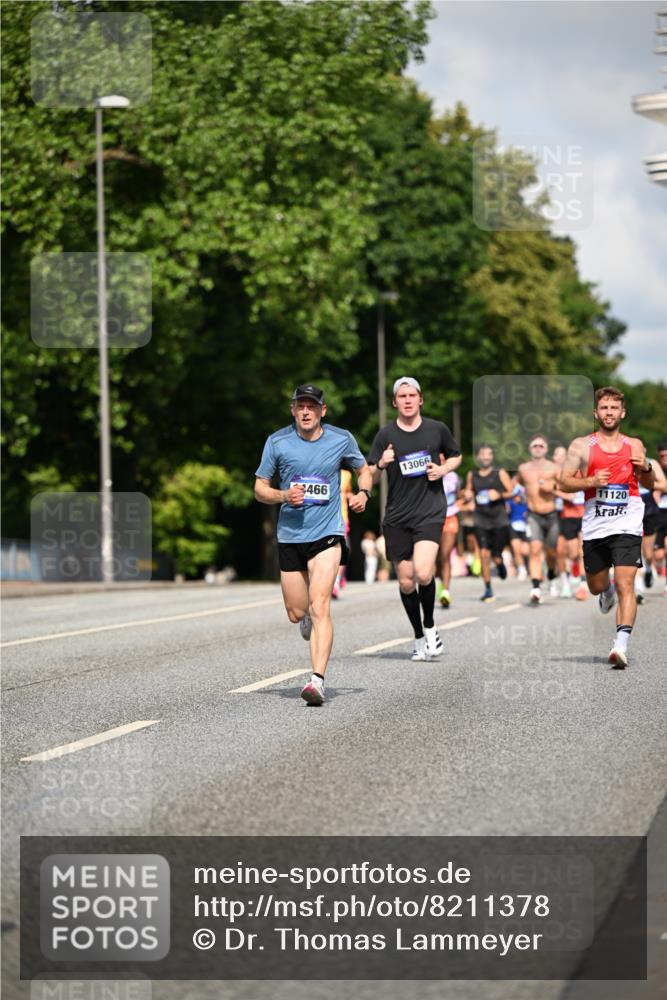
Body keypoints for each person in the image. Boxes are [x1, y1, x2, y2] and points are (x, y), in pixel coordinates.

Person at [255, 383, 373, 705]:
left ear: (323, 410)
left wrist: (363, 493)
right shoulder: (277, 442)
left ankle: (317, 680)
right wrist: (283, 495)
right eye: (300, 406)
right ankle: (305, 616)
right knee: (297, 612)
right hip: (291, 535)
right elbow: (259, 488)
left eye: (312, 406)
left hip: (328, 533)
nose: (306, 412)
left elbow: (364, 470)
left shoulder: (341, 439)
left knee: (321, 604)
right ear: (293, 410)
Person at [559, 386, 655, 668]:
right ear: (596, 413)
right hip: (596, 525)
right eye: (604, 408)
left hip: (628, 522)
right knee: (596, 585)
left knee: (627, 583)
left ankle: (620, 645)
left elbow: (649, 484)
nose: (609, 412)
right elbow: (563, 482)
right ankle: (606, 592)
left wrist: (646, 468)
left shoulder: (634, 445)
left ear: (622, 413)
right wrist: (590, 481)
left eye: (614, 408)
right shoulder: (581, 446)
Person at [368, 377, 461, 661]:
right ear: (394, 401)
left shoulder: (436, 429)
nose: (407, 400)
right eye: (402, 396)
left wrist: (443, 469)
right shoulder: (385, 435)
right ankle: (419, 637)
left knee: (422, 572)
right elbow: (369, 475)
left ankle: (431, 627)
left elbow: (456, 456)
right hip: (397, 516)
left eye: (412, 395)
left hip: (430, 511)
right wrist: (381, 463)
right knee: (407, 582)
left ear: (420, 400)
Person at [464, 444, 512, 602]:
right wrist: (468, 495)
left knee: (496, 555)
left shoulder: (500, 473)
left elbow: (511, 492)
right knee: (484, 554)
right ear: (478, 457)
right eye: (482, 454)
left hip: (499, 519)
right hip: (480, 519)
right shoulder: (472, 474)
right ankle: (488, 589)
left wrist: (498, 494)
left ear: (492, 457)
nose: (485, 457)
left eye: (488, 454)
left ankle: (499, 564)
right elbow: (469, 490)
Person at [517, 434, 560, 604]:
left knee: (551, 552)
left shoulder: (554, 468)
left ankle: (552, 575)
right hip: (533, 515)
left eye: (541, 446)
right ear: (530, 448)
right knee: (534, 549)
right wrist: (518, 495)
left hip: (551, 514)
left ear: (546, 449)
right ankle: (535, 588)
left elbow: (566, 485)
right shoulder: (523, 468)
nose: (538, 448)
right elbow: (518, 484)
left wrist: (552, 486)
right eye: (535, 445)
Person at [437, 469, 461, 608]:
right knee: (436, 559)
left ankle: (446, 591)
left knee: (445, 555)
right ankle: (441, 584)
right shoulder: (427, 472)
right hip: (432, 518)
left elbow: (459, 494)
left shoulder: (453, 476)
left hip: (450, 517)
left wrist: (464, 499)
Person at [332, 468, 353, 598]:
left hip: (342, 518)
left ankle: (337, 580)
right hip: (324, 518)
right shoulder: (319, 469)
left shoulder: (346, 475)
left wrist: (352, 497)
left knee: (343, 550)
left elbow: (348, 491)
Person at [507, 479, 529, 580]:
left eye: (519, 496)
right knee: (516, 550)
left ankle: (530, 567)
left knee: (525, 551)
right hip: (514, 526)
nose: (517, 498)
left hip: (525, 527)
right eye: (516, 496)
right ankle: (521, 569)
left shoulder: (527, 504)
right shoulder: (510, 503)